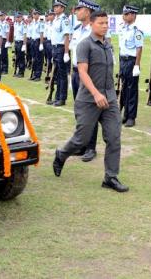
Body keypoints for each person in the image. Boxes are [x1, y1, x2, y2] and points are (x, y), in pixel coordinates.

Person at [52, 10, 128, 193]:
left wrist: (110, 94)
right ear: (92, 24)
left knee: (114, 137)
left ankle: (110, 177)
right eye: (101, 23)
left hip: (109, 99)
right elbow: (82, 72)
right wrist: (96, 94)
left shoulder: (108, 45)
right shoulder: (85, 45)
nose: (105, 26)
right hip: (88, 99)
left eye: (106, 23)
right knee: (82, 139)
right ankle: (62, 154)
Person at [69, 0, 101, 162]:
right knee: (79, 111)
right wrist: (71, 75)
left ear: (88, 12)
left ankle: (90, 147)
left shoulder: (95, 31)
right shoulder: (77, 30)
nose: (76, 11)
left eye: (79, 9)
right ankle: (82, 144)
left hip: (89, 74)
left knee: (90, 111)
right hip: (76, 73)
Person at [118, 5, 143, 127]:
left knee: (132, 90)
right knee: (124, 89)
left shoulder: (136, 31)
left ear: (133, 15)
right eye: (124, 13)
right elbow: (121, 47)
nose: (124, 16)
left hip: (132, 61)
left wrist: (137, 65)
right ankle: (125, 114)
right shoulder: (122, 29)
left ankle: (131, 117)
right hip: (123, 60)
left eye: (127, 14)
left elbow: (139, 48)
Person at [50, 0, 72, 107]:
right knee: (57, 74)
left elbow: (66, 36)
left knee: (62, 75)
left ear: (62, 8)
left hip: (61, 48)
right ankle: (57, 96)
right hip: (55, 48)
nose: (55, 8)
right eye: (54, 6)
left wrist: (66, 52)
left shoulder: (64, 20)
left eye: (57, 6)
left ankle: (62, 98)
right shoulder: (55, 19)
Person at [28, 10, 44, 81]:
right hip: (33, 41)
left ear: (38, 15)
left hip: (38, 41)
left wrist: (41, 43)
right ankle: (34, 74)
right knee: (34, 58)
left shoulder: (41, 23)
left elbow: (41, 34)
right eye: (34, 14)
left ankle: (38, 75)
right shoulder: (32, 23)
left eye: (36, 14)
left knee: (39, 59)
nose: (34, 15)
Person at [13, 12, 28, 77]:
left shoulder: (23, 25)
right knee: (17, 58)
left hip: (21, 42)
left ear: (21, 17)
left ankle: (21, 72)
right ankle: (17, 71)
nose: (17, 18)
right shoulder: (16, 24)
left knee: (21, 58)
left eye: (19, 17)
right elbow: (15, 35)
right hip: (17, 42)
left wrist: (24, 45)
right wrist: (14, 43)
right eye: (17, 17)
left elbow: (25, 35)